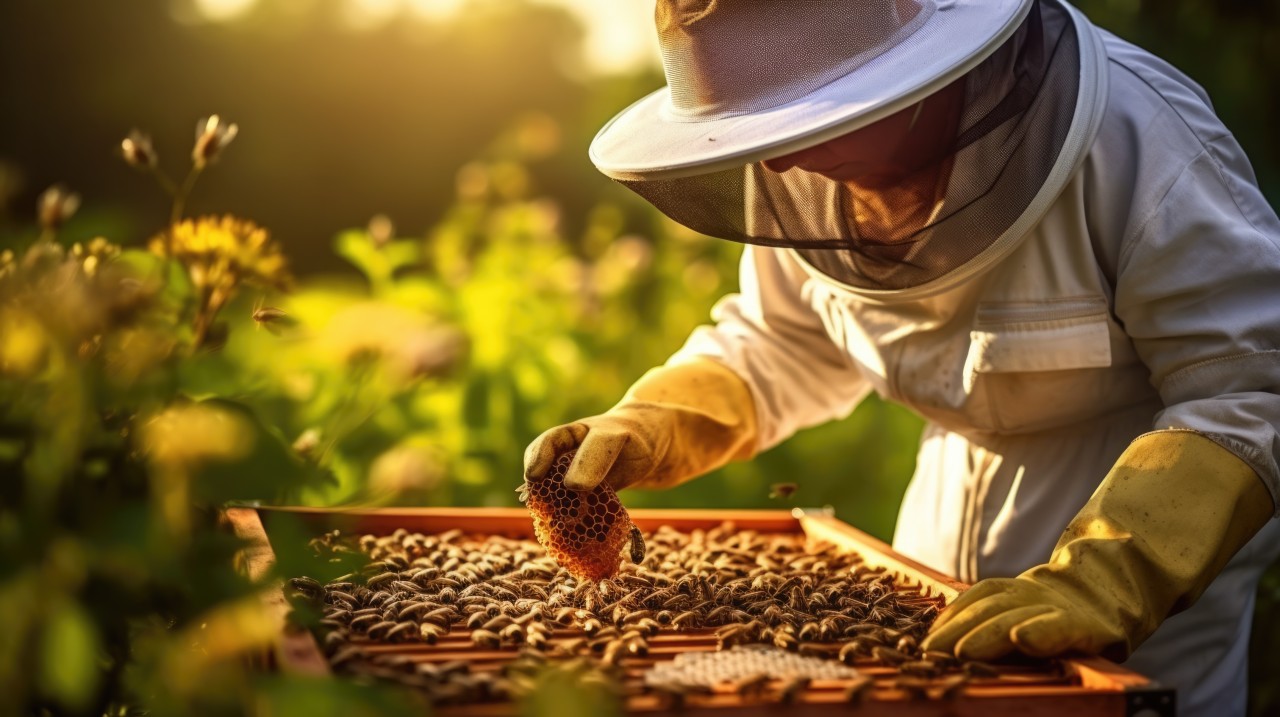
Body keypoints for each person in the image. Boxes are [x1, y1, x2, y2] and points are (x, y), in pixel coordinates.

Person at [522, 1, 1280, 714]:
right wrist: (655, 419)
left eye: (802, 114)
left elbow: (1252, 386)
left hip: (1145, 624)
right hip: (920, 587)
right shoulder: (805, 170)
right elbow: (785, 339)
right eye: (757, 125)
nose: (782, 165)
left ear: (908, 62)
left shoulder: (1135, 132)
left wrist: (1115, 572)